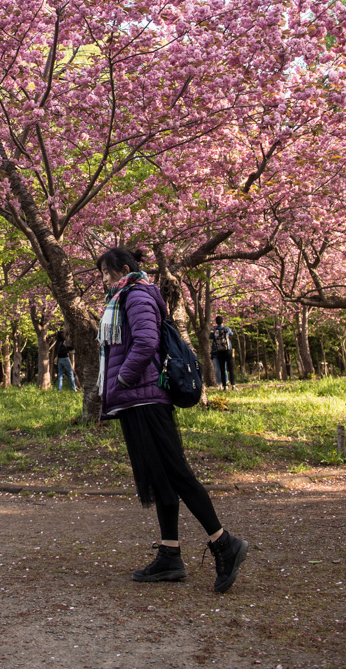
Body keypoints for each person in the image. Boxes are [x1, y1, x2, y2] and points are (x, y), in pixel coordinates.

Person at [96, 246, 248, 593]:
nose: (103, 279)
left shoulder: (136, 295)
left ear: (123, 268)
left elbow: (147, 341)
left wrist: (124, 379)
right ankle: (170, 554)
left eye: (106, 272)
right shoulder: (125, 297)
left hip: (145, 397)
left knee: (175, 472)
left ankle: (225, 543)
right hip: (135, 401)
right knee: (160, 477)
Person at [211, 315, 236, 390]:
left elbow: (210, 337)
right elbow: (231, 334)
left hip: (219, 352)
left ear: (216, 323)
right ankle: (233, 385)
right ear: (223, 322)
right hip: (228, 351)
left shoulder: (214, 331)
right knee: (231, 369)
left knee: (222, 368)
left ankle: (224, 386)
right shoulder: (227, 329)